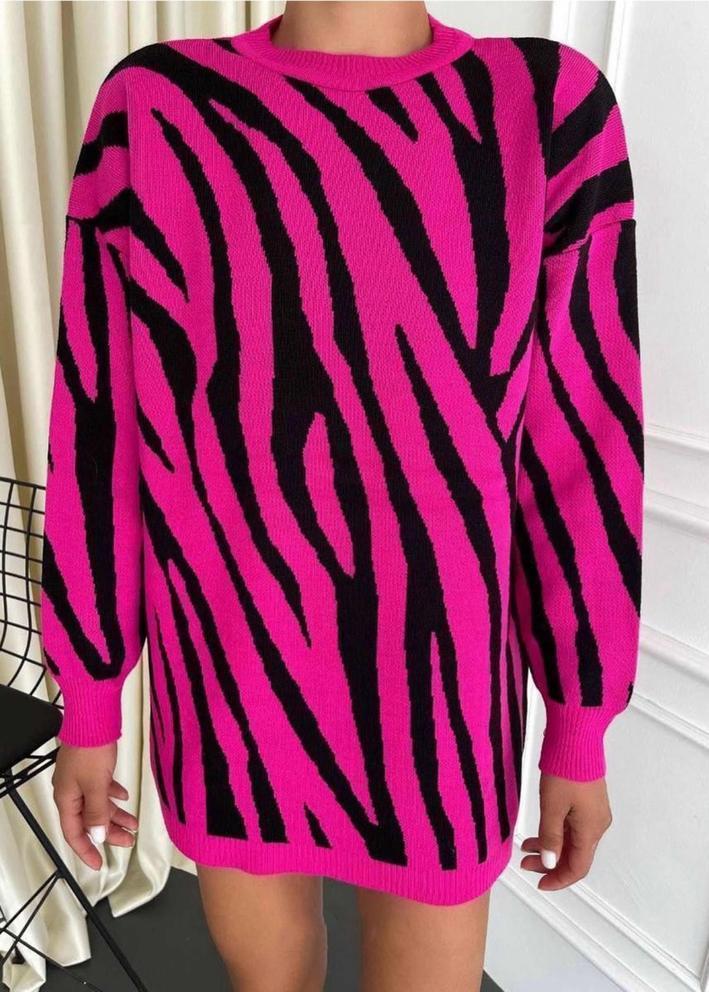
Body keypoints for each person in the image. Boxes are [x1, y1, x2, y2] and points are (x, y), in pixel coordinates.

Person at [42, 2, 643, 990]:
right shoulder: (156, 110)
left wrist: (579, 721)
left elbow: (582, 443)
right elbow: (100, 427)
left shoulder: (544, 108)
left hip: (439, 690)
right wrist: (91, 699)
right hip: (232, 675)